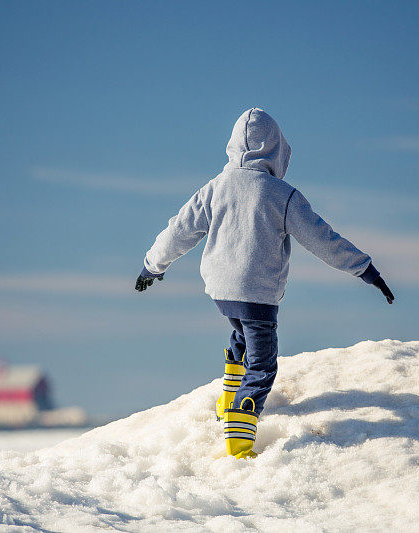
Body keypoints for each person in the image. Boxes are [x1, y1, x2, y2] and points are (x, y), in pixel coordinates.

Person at [136, 108, 394, 458]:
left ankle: (228, 397)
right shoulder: (281, 194)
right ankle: (239, 434)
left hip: (221, 291)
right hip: (257, 293)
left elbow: (179, 230)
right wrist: (365, 269)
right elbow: (323, 239)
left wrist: (153, 266)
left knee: (241, 334)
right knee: (262, 364)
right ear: (277, 151)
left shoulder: (214, 189)